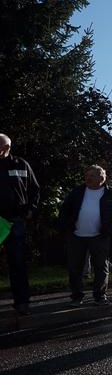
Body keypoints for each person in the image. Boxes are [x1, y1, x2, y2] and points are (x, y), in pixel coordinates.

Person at [58, 165, 112, 306]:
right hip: (76, 235)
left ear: (102, 178)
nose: (88, 178)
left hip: (100, 236)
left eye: (92, 176)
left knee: (101, 267)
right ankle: (77, 297)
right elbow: (64, 210)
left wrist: (109, 229)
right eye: (86, 175)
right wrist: (68, 225)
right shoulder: (77, 191)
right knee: (75, 267)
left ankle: (100, 296)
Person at [0, 134, 39, 315]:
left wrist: (30, 209)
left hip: (15, 221)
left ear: (7, 147)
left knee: (17, 262)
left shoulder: (21, 164)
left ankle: (22, 303)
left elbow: (34, 189)